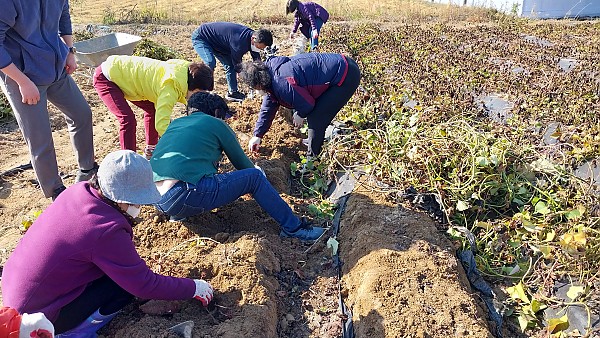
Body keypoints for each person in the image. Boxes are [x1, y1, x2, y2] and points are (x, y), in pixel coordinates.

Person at [1, 150, 214, 337]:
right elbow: (144, 284)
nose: (138, 206)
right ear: (120, 197)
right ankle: (72, 333)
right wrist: (194, 287)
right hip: (39, 317)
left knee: (112, 271)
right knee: (121, 288)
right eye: (135, 201)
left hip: (17, 292)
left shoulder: (79, 191)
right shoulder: (104, 229)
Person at [151, 92, 324, 241]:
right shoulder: (215, 123)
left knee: (195, 176)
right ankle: (294, 228)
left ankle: (179, 215)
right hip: (183, 194)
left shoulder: (175, 124)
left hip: (156, 199)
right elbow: (244, 166)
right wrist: (264, 180)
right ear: (217, 112)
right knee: (253, 178)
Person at [0, 0, 97, 201]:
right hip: (22, 75)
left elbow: (63, 15)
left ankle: (87, 170)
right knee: (40, 138)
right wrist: (22, 82)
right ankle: (56, 192)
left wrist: (70, 52)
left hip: (56, 66)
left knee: (81, 114)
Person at [239, 53, 361, 158]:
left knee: (316, 117)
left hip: (345, 75)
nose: (255, 91)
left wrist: (300, 114)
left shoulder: (282, 83)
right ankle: (314, 141)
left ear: (258, 84)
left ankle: (312, 159)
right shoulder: (269, 74)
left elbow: (308, 104)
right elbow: (268, 107)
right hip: (341, 65)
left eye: (253, 87)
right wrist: (258, 135)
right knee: (316, 113)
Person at [93, 55, 214, 159]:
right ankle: (129, 161)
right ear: (193, 86)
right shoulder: (170, 86)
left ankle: (151, 151)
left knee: (152, 109)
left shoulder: (186, 73)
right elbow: (161, 124)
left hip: (131, 81)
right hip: (107, 77)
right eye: (198, 92)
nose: (198, 96)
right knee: (127, 119)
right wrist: (180, 141)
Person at [191, 22, 273, 102]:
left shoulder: (255, 39)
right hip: (202, 37)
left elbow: (257, 62)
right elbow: (238, 66)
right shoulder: (239, 43)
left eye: (262, 48)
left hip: (220, 44)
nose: (260, 49)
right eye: (260, 47)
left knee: (229, 65)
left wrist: (262, 79)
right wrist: (251, 80)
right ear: (253, 39)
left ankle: (232, 93)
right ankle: (205, 91)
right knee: (210, 62)